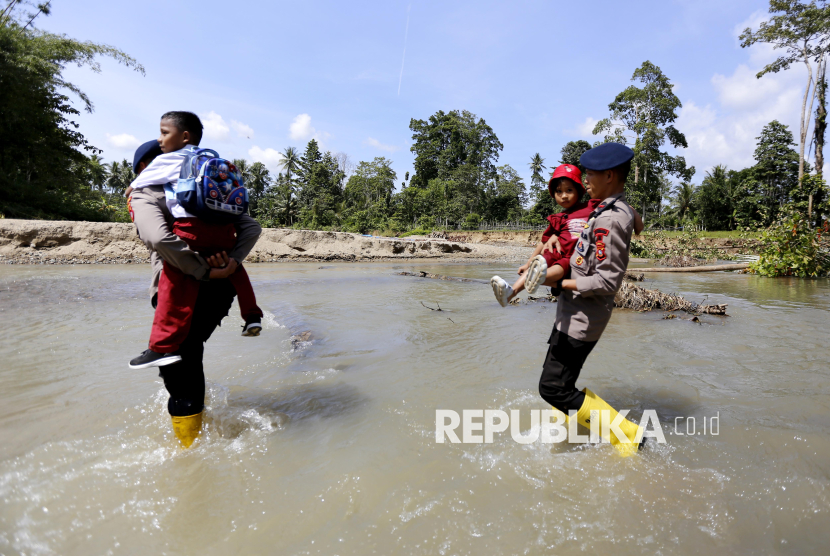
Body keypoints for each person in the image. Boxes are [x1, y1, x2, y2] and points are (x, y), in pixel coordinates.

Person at [128, 115, 263, 448]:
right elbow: (250, 228)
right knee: (190, 353)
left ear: (146, 166)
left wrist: (199, 269)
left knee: (176, 363)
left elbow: (159, 238)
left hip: (182, 284)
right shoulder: (207, 189)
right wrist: (230, 262)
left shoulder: (146, 192)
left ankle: (189, 451)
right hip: (222, 288)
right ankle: (195, 432)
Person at [537, 142, 645, 456]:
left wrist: (557, 281)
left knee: (553, 387)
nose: (585, 180)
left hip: (583, 316)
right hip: (572, 313)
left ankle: (627, 434)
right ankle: (561, 431)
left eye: (590, 174)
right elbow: (635, 220)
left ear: (610, 175)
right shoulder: (607, 206)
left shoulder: (610, 219)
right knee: (558, 382)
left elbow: (607, 281)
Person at [490, 164, 591, 306]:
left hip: (574, 256)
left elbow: (613, 204)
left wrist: (632, 212)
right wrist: (528, 263)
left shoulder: (590, 207)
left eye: (569, 190)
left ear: (579, 191)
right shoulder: (558, 218)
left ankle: (537, 278)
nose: (564, 196)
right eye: (559, 192)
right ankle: (510, 293)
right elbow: (543, 242)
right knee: (542, 260)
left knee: (561, 265)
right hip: (558, 253)